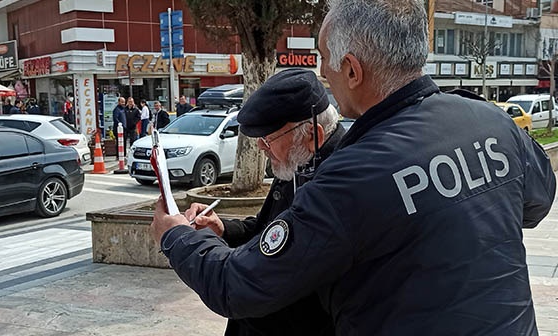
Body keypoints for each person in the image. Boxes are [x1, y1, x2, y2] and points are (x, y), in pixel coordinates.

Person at [151, 1, 557, 335]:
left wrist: (177, 236)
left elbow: (239, 286)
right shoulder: (492, 123)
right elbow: (537, 203)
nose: (323, 74)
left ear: (351, 69)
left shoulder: (353, 176)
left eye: (324, 59)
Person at [184, 69, 343, 336]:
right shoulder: (298, 159)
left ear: (312, 135)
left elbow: (260, 276)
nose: (260, 147)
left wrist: (177, 238)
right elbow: (266, 229)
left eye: (268, 139)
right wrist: (222, 228)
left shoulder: (338, 181)